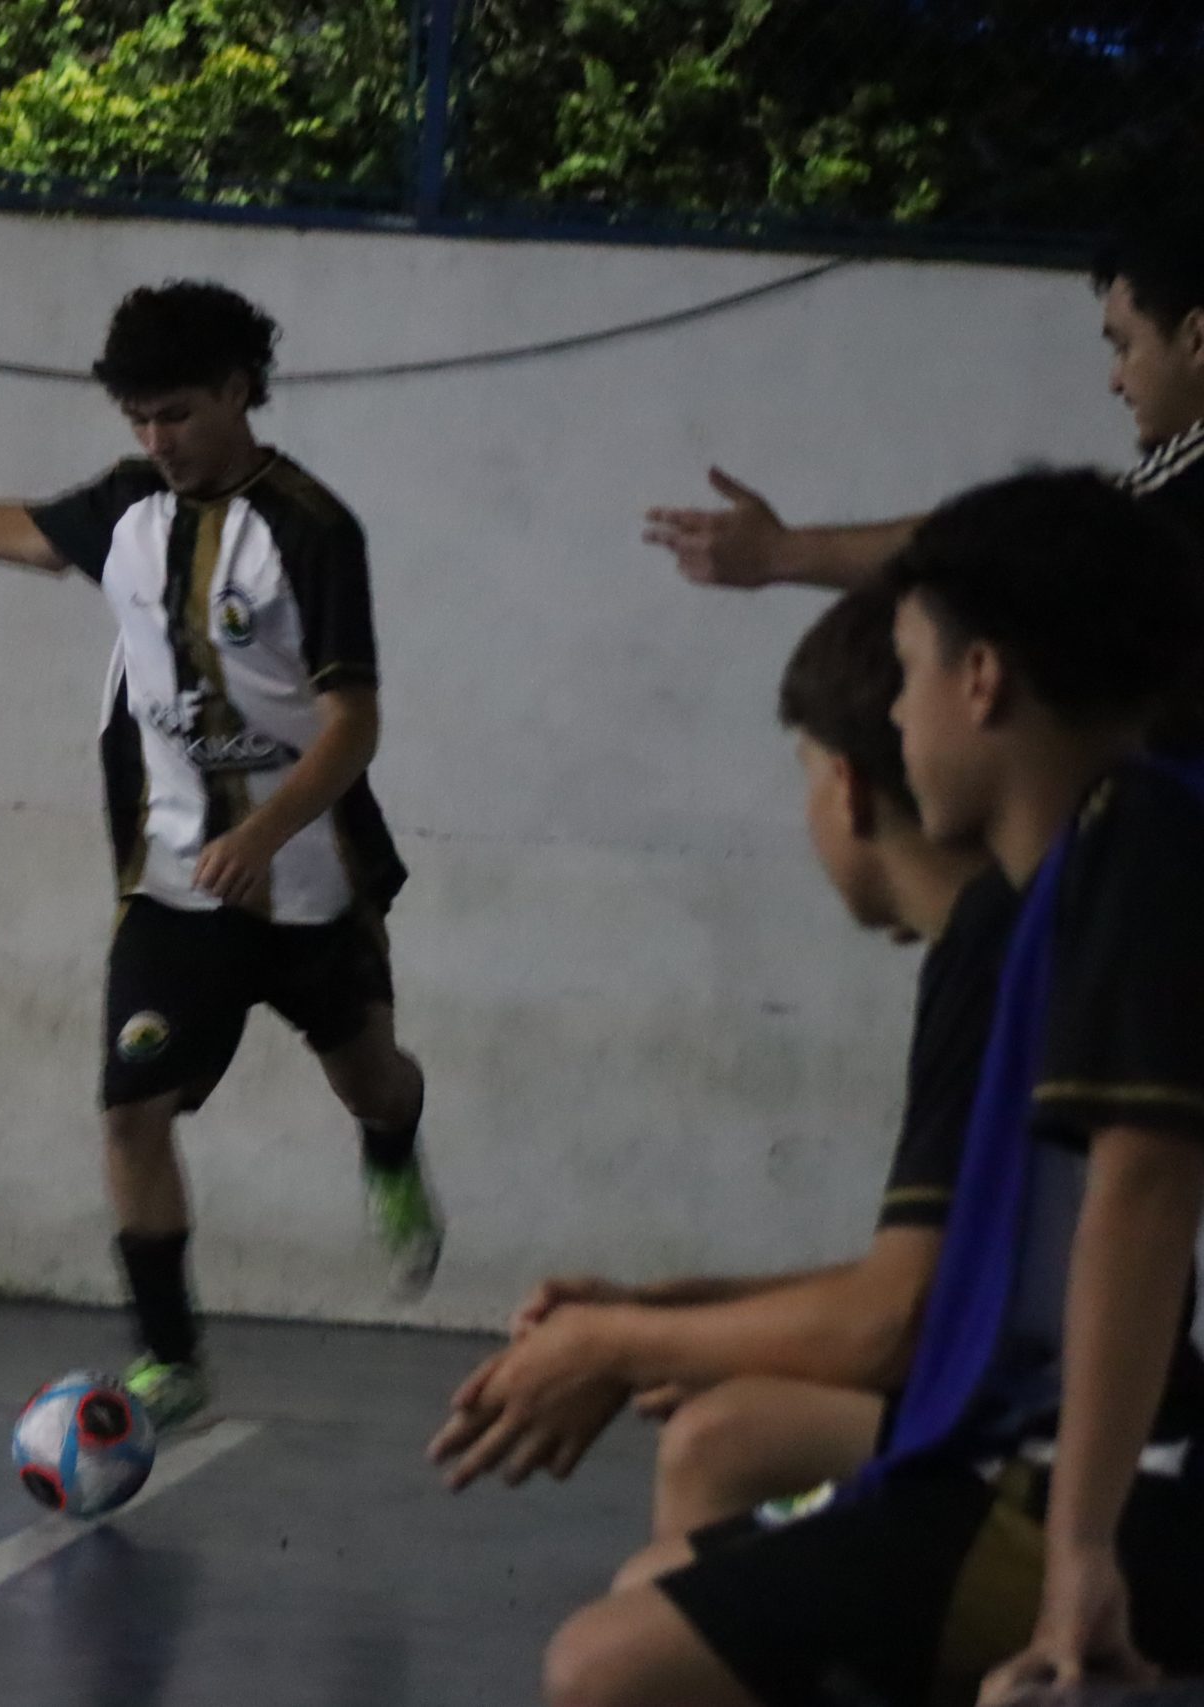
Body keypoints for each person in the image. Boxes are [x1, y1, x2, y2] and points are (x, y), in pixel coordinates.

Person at [544, 472, 1204, 1707]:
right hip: (1097, 1448)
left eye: (904, 673)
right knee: (664, 1587)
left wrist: (1078, 1551)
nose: (893, 718)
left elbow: (1144, 1194)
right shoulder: (1095, 864)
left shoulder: (1139, 846)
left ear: (979, 679)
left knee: (606, 1664)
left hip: (1156, 1474)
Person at [0, 281, 438, 1432]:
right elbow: (32, 536)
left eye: (176, 414)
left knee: (369, 1078)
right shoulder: (130, 506)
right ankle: (170, 1355)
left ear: (239, 391)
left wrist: (264, 831)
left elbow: (354, 725)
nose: (156, 440)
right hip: (172, 883)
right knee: (132, 1112)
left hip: (309, 880)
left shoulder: (312, 529)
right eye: (138, 419)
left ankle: (391, 1148)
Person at [428, 587, 1015, 1559]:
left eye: (804, 777)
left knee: (614, 1638)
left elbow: (894, 1323)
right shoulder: (985, 942)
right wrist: (666, 1311)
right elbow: (941, 1281)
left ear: (847, 788)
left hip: (1078, 1453)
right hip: (1052, 1417)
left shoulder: (990, 952)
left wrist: (614, 1342)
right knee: (721, 1438)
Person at [646, 214, 1204, 588]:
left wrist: (783, 553)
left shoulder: (1171, 498)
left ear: (1197, 338)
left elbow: (1033, 541)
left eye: (1125, 347)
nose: (1114, 381)